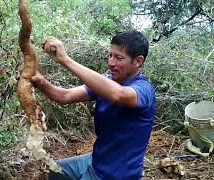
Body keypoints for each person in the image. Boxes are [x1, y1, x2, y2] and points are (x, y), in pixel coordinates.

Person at [32, 30, 156, 180]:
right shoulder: (107, 82)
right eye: (110, 55)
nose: (111, 63)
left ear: (138, 61)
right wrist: (40, 82)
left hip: (115, 175)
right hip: (95, 161)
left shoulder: (144, 90)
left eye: (119, 58)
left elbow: (119, 94)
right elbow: (64, 96)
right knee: (53, 171)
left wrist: (65, 59)